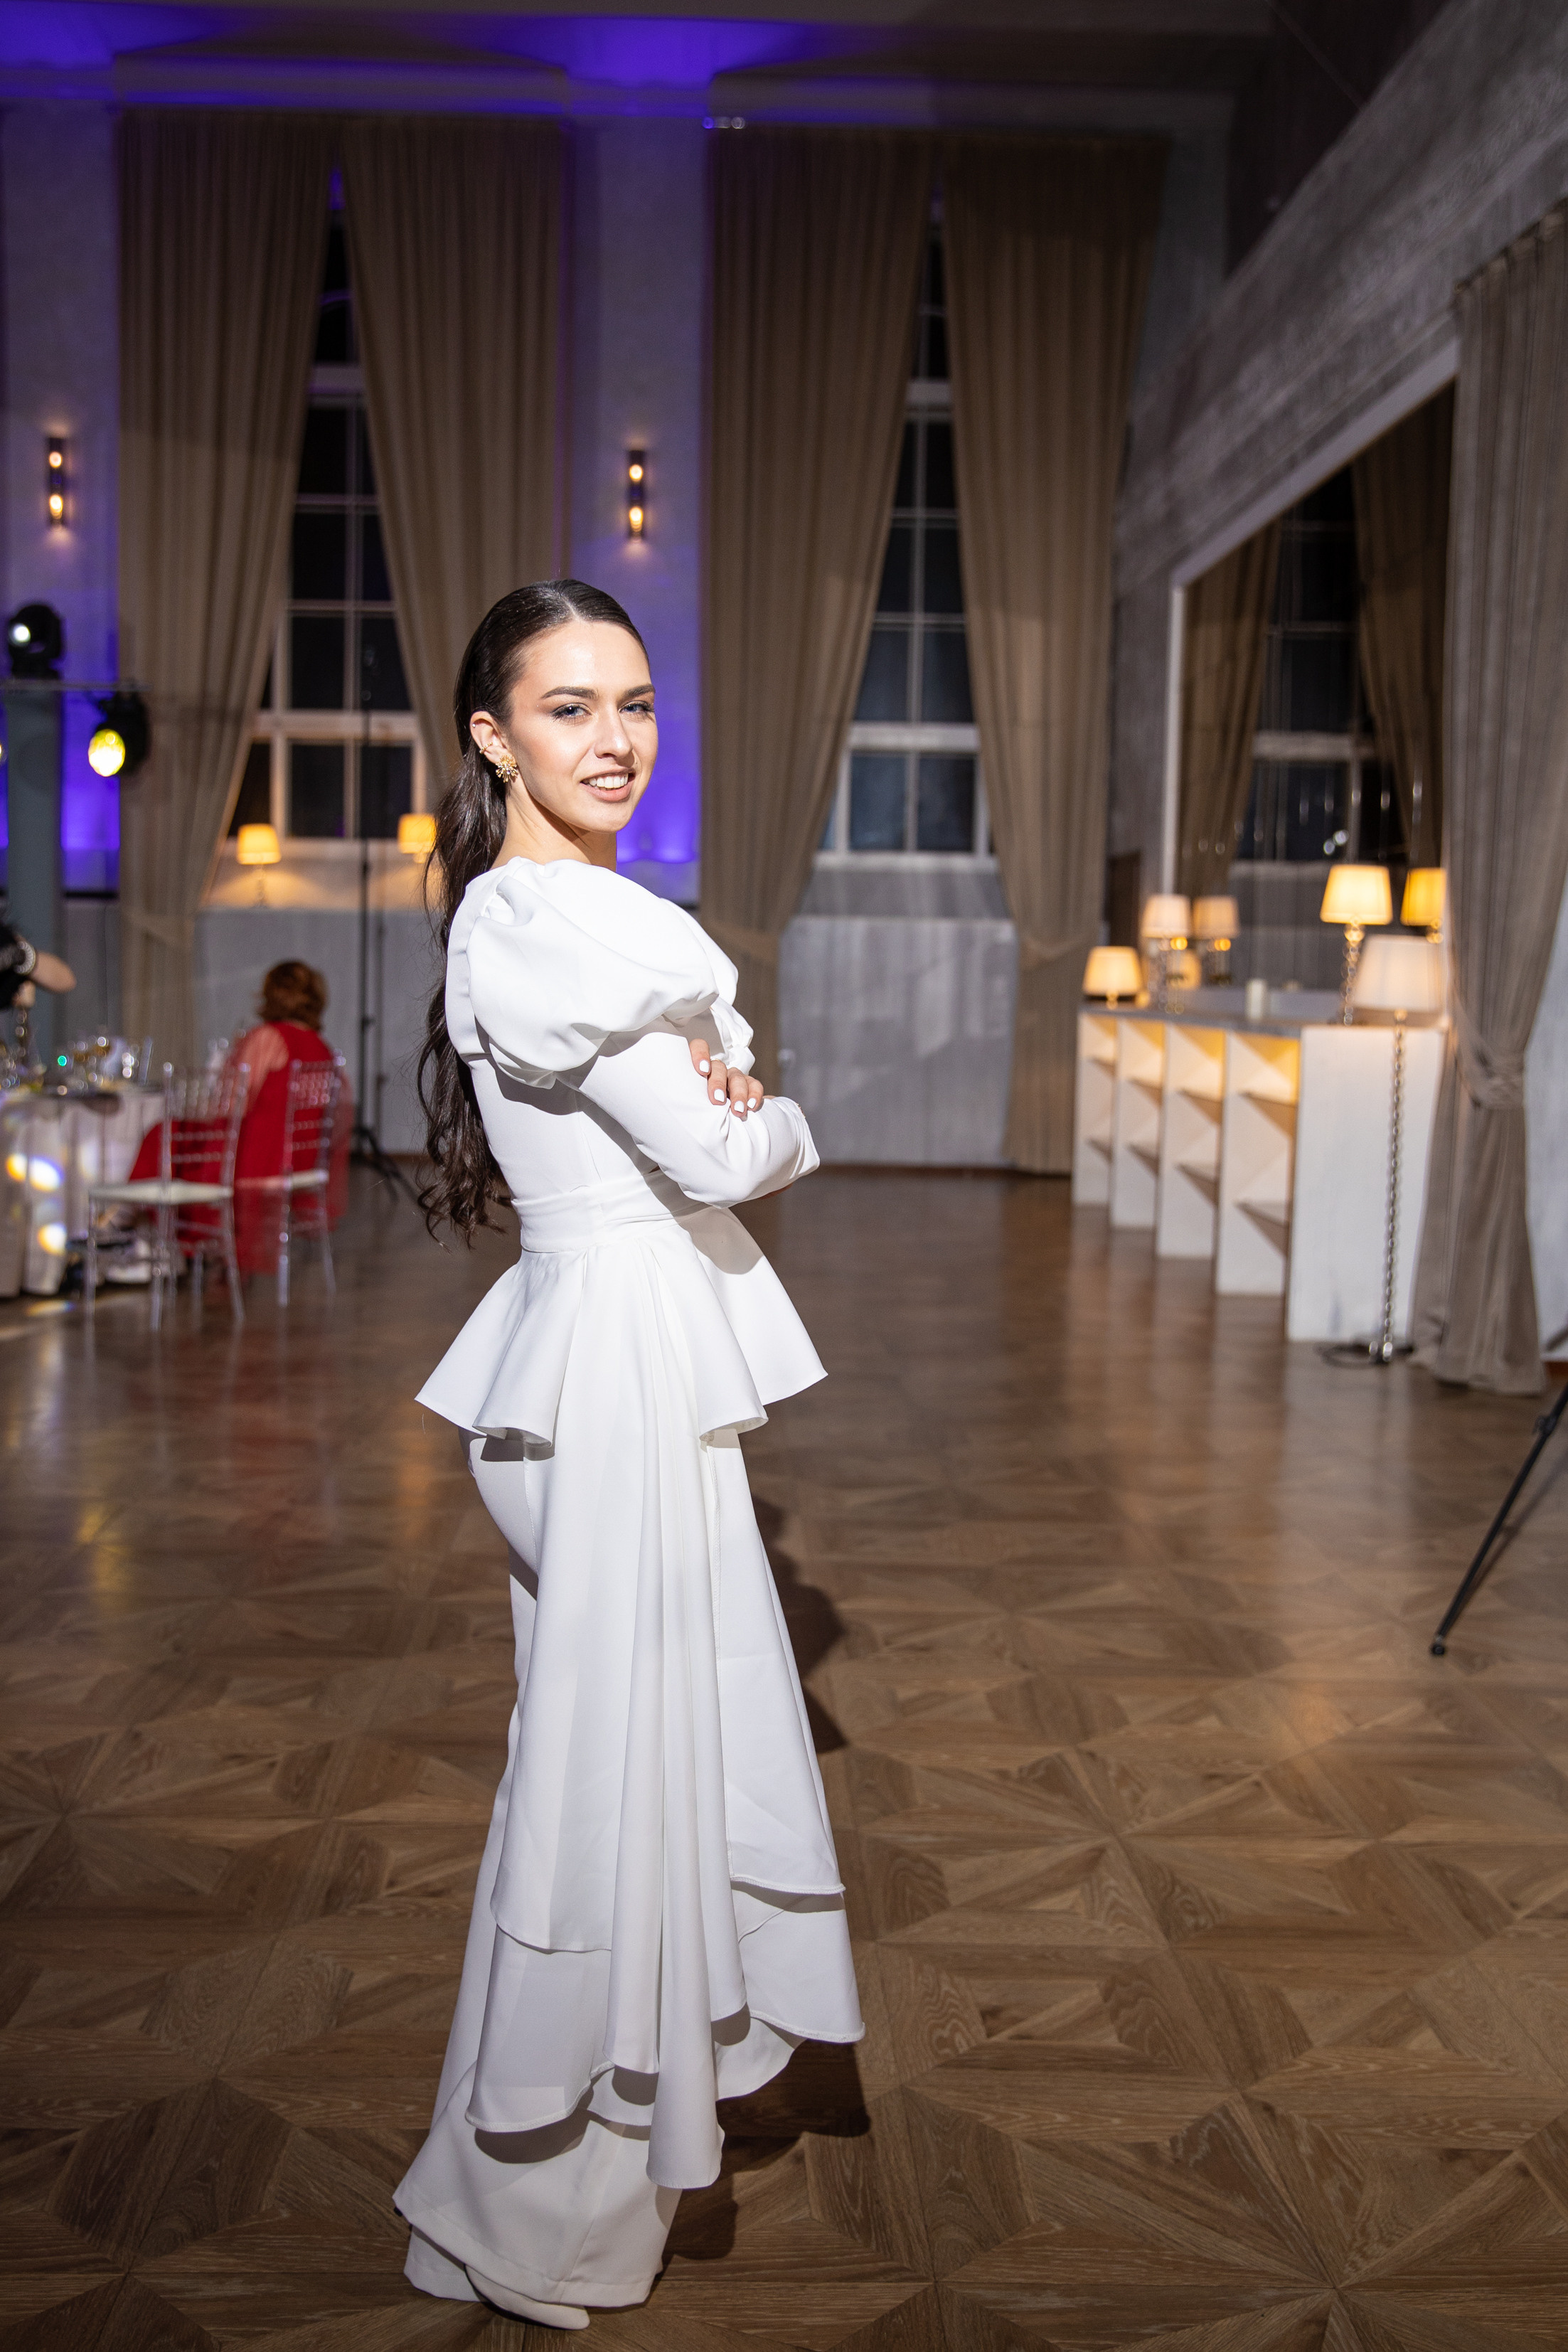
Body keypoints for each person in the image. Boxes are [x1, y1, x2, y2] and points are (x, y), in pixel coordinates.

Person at [395, 581, 862, 2331]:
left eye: (638, 703)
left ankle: (544, 2183)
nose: (616, 738)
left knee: (610, 1779)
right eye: (571, 706)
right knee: (605, 1795)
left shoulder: (585, 916)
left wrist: (732, 1100)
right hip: (603, 1384)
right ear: (493, 736)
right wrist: (777, 1106)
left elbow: (702, 1132)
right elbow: (728, 1156)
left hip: (614, 1371)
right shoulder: (545, 920)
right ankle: (531, 2202)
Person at [122, 959, 351, 1277]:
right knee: (174, 1138)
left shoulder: (268, 1038)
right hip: (301, 1161)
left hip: (257, 1160)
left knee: (164, 1135)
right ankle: (146, 1240)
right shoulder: (321, 1048)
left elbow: (232, 1105)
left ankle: (135, 1236)